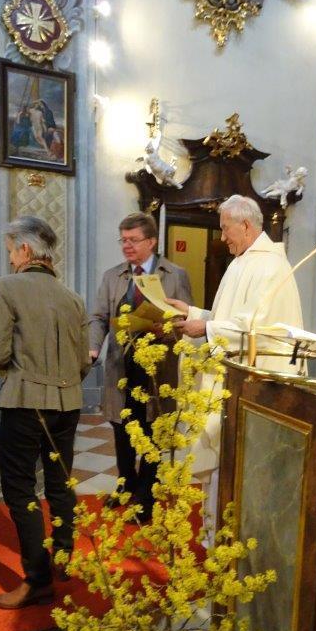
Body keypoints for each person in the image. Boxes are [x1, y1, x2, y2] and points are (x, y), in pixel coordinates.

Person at [168, 194, 304, 540]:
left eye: (225, 228)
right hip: (231, 385)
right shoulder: (242, 261)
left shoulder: (270, 266)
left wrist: (206, 328)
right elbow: (231, 319)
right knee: (221, 470)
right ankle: (217, 541)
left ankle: (231, 545)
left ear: (245, 225)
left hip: (252, 393)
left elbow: (259, 330)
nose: (222, 236)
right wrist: (193, 313)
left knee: (236, 471)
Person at [0, 216, 91, 609]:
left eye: (12, 251)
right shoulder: (73, 298)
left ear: (26, 249)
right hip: (69, 404)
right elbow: (83, 362)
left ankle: (38, 581)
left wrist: (15, 376)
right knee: (60, 484)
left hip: (25, 403)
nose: (11, 259)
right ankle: (63, 557)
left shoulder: (6, 287)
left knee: (20, 489)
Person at [89, 212, 192, 519]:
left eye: (133, 240)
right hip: (121, 367)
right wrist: (93, 347)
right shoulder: (113, 276)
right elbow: (98, 317)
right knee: (122, 429)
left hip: (157, 369)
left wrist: (167, 329)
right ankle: (126, 484)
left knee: (152, 430)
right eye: (123, 240)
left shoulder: (175, 275)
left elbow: (186, 321)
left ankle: (146, 494)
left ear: (151, 242)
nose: (127, 246)